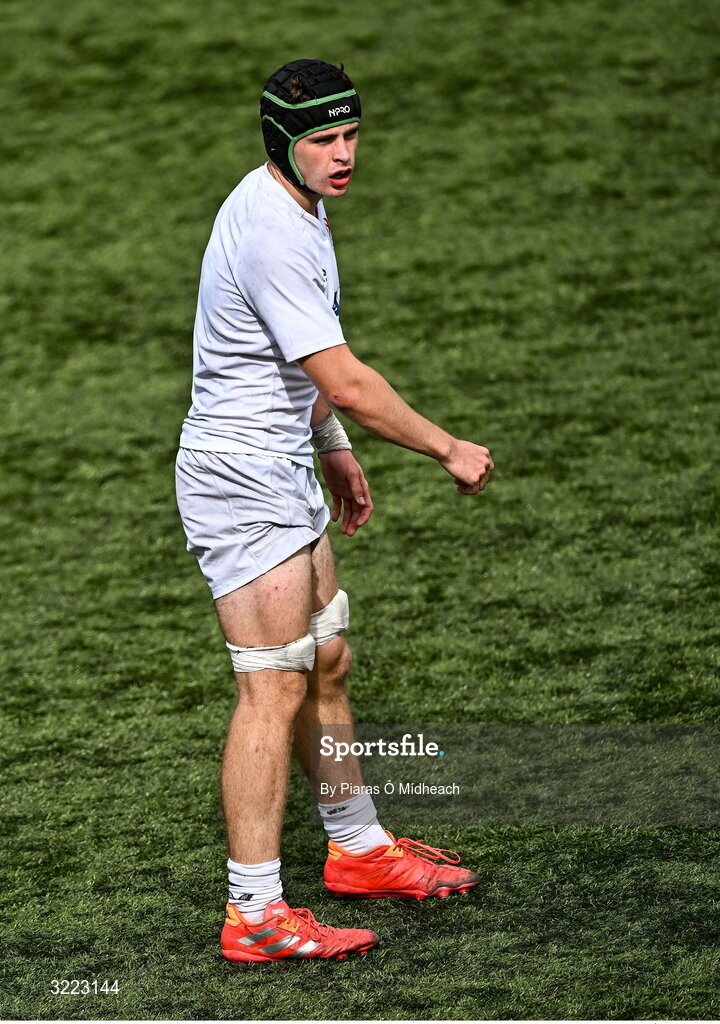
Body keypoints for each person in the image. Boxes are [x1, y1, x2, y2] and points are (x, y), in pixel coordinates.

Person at [175, 58, 494, 964]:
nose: (344, 154)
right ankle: (256, 913)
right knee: (270, 683)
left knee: (327, 659)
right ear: (284, 140)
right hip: (241, 480)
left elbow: (298, 367)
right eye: (323, 139)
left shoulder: (302, 205)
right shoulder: (273, 228)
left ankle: (358, 851)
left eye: (352, 134)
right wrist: (446, 447)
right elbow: (344, 376)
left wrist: (333, 451)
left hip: (282, 467)